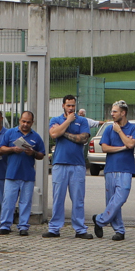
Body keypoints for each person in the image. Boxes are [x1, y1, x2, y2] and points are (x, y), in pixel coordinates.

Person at [92, 102, 135, 242]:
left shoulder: (134, 128)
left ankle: (100, 220)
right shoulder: (108, 129)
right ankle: (119, 230)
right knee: (112, 201)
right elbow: (105, 148)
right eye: (112, 111)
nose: (112, 114)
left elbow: (131, 144)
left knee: (120, 198)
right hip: (110, 169)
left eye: (115, 111)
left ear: (123, 113)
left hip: (126, 169)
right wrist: (122, 147)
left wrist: (120, 131)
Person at [44, 96, 92, 237]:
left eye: (73, 105)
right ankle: (54, 228)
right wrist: (68, 121)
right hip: (59, 164)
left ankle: (80, 229)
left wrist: (62, 132)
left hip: (77, 165)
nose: (71, 108)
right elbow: (53, 134)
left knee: (78, 198)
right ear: (63, 106)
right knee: (58, 197)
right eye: (68, 105)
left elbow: (83, 138)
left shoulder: (82, 121)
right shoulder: (55, 120)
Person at [0, 109, 46, 235]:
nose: (25, 124)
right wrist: (12, 149)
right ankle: (5, 225)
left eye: (28, 122)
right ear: (19, 120)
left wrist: (33, 153)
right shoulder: (10, 133)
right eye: (23, 121)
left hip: (27, 175)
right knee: (8, 201)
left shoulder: (36, 137)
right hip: (11, 174)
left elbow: (42, 154)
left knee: (25, 202)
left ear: (32, 123)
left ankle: (23, 226)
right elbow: (1, 148)